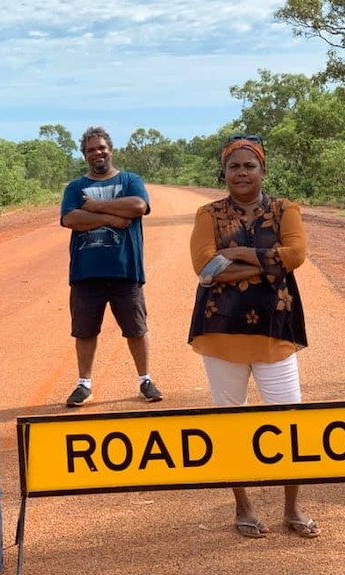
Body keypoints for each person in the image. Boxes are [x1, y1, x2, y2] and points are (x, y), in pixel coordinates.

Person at [188, 135, 319, 538]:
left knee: (290, 424)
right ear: (223, 172)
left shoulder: (285, 209)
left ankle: (292, 510)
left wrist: (238, 255)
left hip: (274, 331)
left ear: (263, 170)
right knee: (231, 424)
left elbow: (295, 255)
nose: (241, 173)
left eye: (249, 166)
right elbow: (204, 267)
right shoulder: (207, 213)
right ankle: (243, 507)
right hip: (221, 332)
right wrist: (268, 264)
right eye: (234, 166)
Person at [60, 126, 162, 407]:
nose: (97, 153)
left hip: (125, 271)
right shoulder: (75, 187)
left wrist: (95, 207)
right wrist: (113, 220)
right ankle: (84, 384)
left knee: (136, 329)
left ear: (111, 149)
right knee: (85, 331)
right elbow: (70, 219)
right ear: (84, 155)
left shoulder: (130, 179)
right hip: (85, 273)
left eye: (101, 148)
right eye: (91, 149)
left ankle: (145, 380)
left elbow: (139, 206)